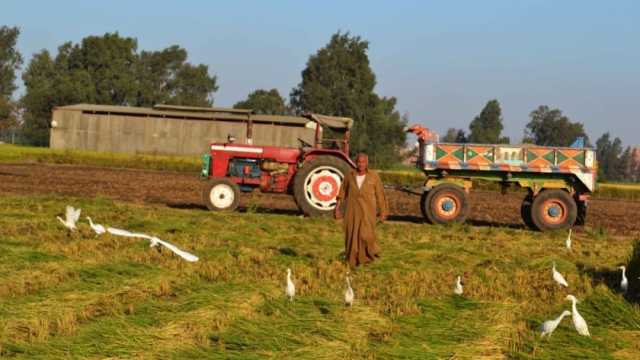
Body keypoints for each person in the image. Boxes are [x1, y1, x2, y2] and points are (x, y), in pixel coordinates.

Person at [335, 153, 388, 267]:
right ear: (355, 162)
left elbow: (380, 195)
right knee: (352, 235)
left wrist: (383, 212)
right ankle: (353, 260)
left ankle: (369, 255)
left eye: (363, 162)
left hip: (368, 211)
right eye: (359, 162)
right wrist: (337, 208)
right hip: (352, 211)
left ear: (367, 163)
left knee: (367, 235)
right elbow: (342, 192)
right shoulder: (349, 176)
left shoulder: (374, 176)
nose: (361, 164)